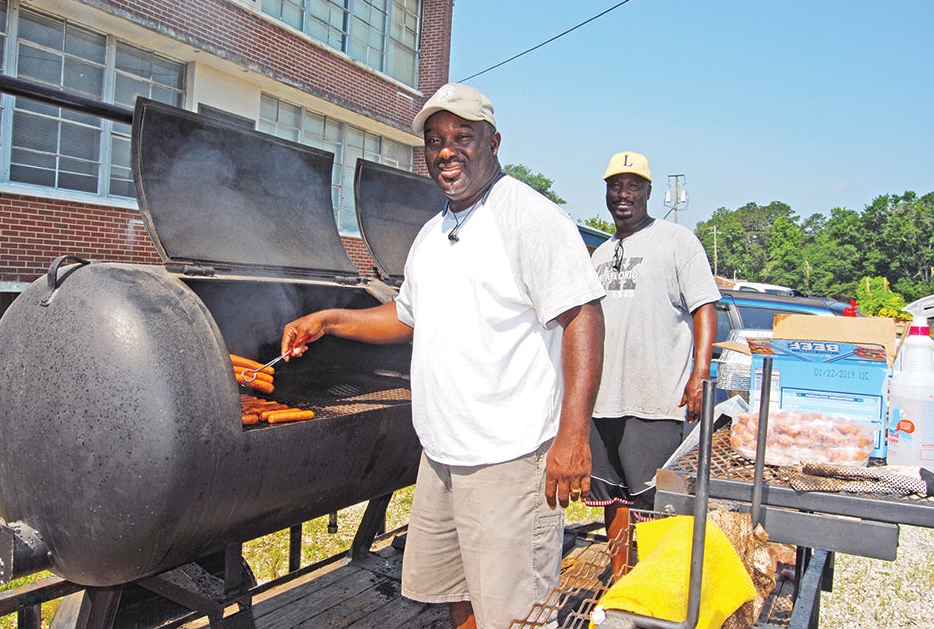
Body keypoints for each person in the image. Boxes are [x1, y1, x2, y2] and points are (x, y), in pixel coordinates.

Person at [279, 83, 605, 629]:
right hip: (444, 455)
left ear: (494, 142)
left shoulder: (531, 217)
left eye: (462, 137)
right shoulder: (432, 233)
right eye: (435, 141)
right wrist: (331, 320)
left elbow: (584, 318)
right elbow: (408, 317)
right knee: (459, 594)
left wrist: (573, 435)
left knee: (516, 612)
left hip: (511, 456)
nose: (446, 151)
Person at [583, 151, 719, 574]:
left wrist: (699, 374)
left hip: (656, 400)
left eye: (632, 186)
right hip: (602, 399)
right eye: (614, 186)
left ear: (648, 191)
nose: (622, 194)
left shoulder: (677, 240)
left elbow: (705, 307)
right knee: (611, 496)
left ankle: (661, 590)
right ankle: (621, 581)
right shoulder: (600, 254)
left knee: (656, 504)